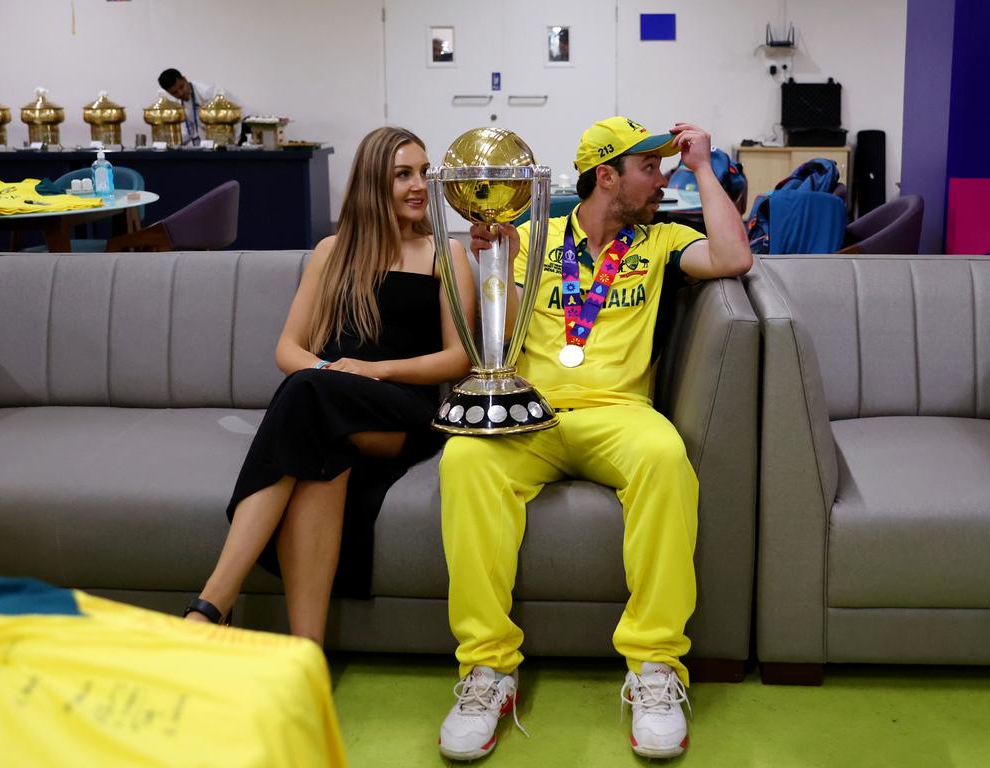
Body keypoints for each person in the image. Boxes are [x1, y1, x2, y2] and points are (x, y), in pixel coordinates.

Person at [437, 116, 753, 761]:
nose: (661, 179)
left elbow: (733, 257)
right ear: (607, 176)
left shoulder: (663, 237)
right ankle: (488, 670)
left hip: (618, 413)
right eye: (650, 168)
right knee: (465, 456)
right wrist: (488, 258)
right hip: (534, 412)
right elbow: (498, 322)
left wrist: (703, 167)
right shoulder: (531, 236)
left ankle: (655, 667)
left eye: (664, 168)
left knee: (667, 458)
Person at [184, 126, 475, 645]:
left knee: (308, 398)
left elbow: (458, 359)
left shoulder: (445, 255)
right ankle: (306, 653)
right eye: (402, 174)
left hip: (406, 412)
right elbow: (288, 349)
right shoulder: (331, 252)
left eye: (424, 173)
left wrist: (373, 370)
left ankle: (211, 605)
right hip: (334, 406)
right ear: (370, 183)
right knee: (319, 434)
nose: (418, 185)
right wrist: (333, 372)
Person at [157, 68, 227, 145]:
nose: (180, 93)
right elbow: (188, 131)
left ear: (184, 79)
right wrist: (171, 143)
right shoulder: (178, 103)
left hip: (233, 134)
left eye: (181, 87)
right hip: (209, 141)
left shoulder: (207, 92)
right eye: (175, 92)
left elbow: (226, 122)